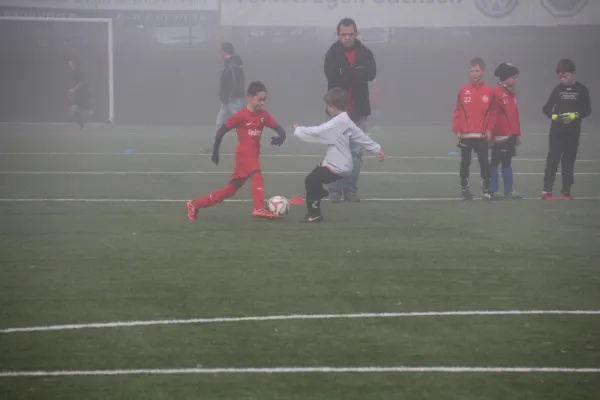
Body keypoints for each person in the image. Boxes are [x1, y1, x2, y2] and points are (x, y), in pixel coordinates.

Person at [186, 81, 287, 220]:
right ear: (250, 97)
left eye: (264, 100)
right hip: (245, 156)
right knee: (257, 175)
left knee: (229, 191)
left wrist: (282, 135)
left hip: (251, 158)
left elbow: (278, 127)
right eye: (259, 100)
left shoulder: (263, 115)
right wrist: (216, 150)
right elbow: (221, 131)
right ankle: (259, 209)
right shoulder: (241, 116)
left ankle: (195, 204)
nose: (262, 103)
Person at [293, 88, 384, 223]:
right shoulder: (347, 121)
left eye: (327, 106)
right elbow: (361, 136)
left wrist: (299, 129)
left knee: (310, 181)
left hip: (337, 167)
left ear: (332, 106)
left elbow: (318, 131)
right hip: (341, 164)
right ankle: (320, 192)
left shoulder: (336, 123)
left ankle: (314, 215)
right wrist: (377, 149)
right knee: (316, 175)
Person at [324, 17, 377, 203]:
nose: (347, 38)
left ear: (356, 34)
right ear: (338, 35)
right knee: (337, 151)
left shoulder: (365, 52)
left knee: (355, 153)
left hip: (360, 110)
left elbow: (371, 74)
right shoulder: (332, 53)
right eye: (343, 34)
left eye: (350, 34)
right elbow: (332, 77)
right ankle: (335, 192)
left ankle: (350, 190)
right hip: (338, 112)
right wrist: (356, 73)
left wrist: (346, 73)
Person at [541, 59, 592, 200]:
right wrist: (554, 116)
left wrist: (576, 114)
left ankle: (566, 192)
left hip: (573, 132)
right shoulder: (557, 89)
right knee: (553, 159)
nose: (563, 79)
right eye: (561, 77)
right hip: (557, 132)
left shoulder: (582, 89)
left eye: (566, 76)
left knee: (568, 161)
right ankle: (546, 191)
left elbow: (587, 109)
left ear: (573, 74)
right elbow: (546, 108)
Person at [452, 57, 495, 201]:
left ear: (483, 72)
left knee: (484, 163)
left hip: (482, 136)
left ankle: (486, 189)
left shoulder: (489, 92)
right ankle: (465, 189)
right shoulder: (463, 91)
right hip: (466, 135)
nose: (474, 73)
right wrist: (457, 129)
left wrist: (489, 129)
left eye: (477, 70)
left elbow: (493, 113)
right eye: (471, 71)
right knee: (465, 163)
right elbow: (458, 111)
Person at [489, 62, 522, 200]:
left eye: (516, 77)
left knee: (507, 162)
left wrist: (517, 134)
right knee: (495, 162)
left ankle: (509, 190)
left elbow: (513, 116)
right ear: (505, 77)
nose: (516, 79)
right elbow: (492, 115)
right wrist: (491, 133)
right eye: (513, 77)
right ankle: (493, 190)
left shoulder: (511, 94)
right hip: (500, 136)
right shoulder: (497, 93)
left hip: (510, 136)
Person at [68, 60, 112, 130]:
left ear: (74, 63)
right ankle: (107, 122)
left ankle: (107, 122)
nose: (69, 64)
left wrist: (73, 89)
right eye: (69, 62)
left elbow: (81, 82)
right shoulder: (73, 72)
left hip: (83, 94)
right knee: (79, 110)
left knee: (78, 110)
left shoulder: (77, 72)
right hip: (81, 94)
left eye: (71, 62)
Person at [216, 42, 245, 131]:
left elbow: (234, 81)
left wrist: (230, 94)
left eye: (222, 51)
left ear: (225, 51)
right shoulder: (230, 63)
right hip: (227, 99)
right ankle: (215, 144)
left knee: (241, 123)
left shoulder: (233, 64)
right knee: (220, 123)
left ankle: (249, 141)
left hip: (233, 98)